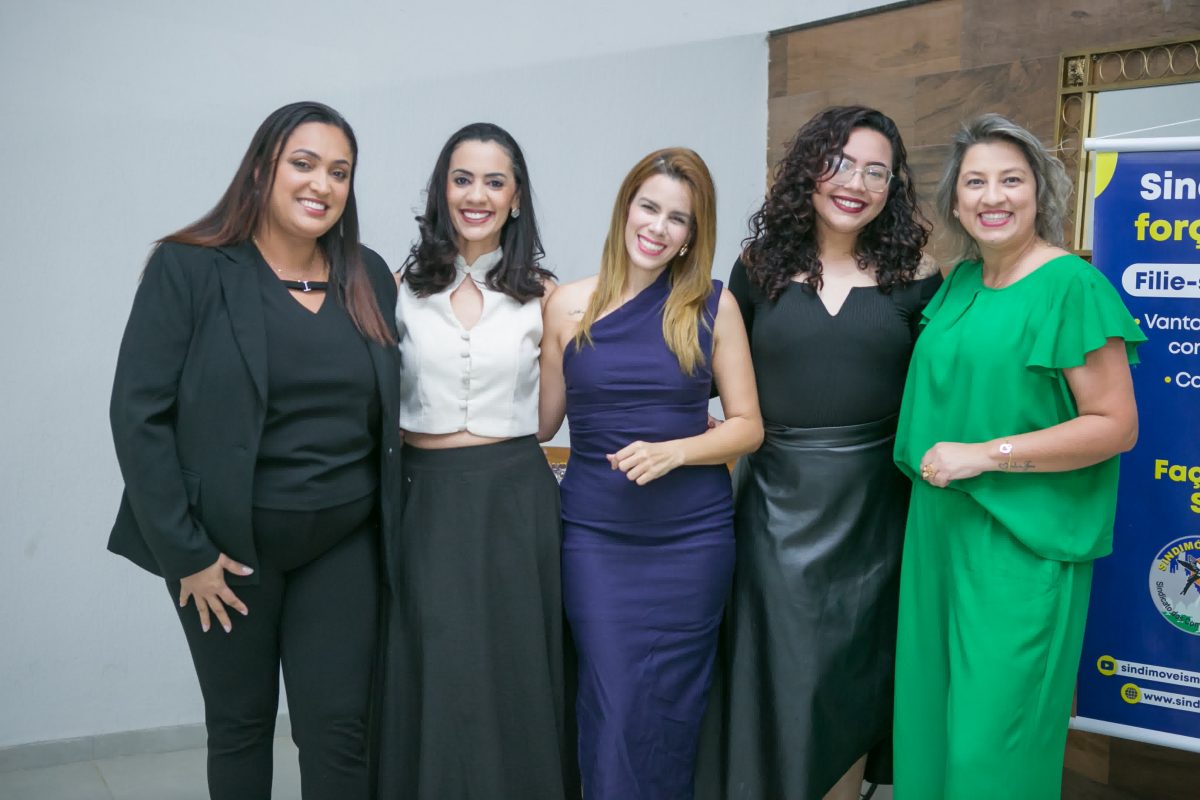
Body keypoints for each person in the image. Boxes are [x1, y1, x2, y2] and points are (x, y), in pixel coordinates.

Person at [108, 101, 401, 800]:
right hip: (224, 553)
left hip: (342, 542)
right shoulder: (189, 266)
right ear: (264, 168)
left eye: (339, 172)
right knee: (240, 728)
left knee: (340, 733)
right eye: (304, 164)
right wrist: (186, 554)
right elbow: (138, 414)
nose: (322, 184)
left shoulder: (369, 274)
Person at [892, 113, 1145, 799]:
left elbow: (1115, 425)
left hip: (1020, 546)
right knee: (928, 728)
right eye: (975, 182)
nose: (993, 196)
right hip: (937, 537)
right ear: (955, 201)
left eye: (1011, 180)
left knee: (991, 749)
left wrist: (986, 455)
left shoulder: (1071, 286)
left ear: (1040, 192)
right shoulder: (960, 282)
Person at [707, 105, 939, 800]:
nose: (855, 184)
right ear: (808, 171)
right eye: (839, 164)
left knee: (849, 681)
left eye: (876, 172)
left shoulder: (918, 274)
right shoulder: (757, 269)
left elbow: (944, 387)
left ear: (893, 186)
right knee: (776, 678)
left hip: (876, 514)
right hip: (772, 507)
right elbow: (714, 381)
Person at [540, 147, 763, 800]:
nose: (658, 228)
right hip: (597, 539)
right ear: (625, 209)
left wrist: (678, 451)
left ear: (693, 233)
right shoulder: (566, 305)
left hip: (691, 543)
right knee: (611, 705)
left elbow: (748, 426)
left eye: (678, 218)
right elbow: (541, 424)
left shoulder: (714, 306)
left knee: (672, 710)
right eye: (649, 208)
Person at [376, 122, 576, 799]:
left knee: (510, 665)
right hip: (424, 497)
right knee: (434, 662)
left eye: (495, 182)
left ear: (516, 198)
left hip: (514, 498)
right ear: (442, 191)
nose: (477, 195)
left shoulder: (547, 295)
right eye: (462, 179)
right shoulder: (395, 288)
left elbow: (548, 420)